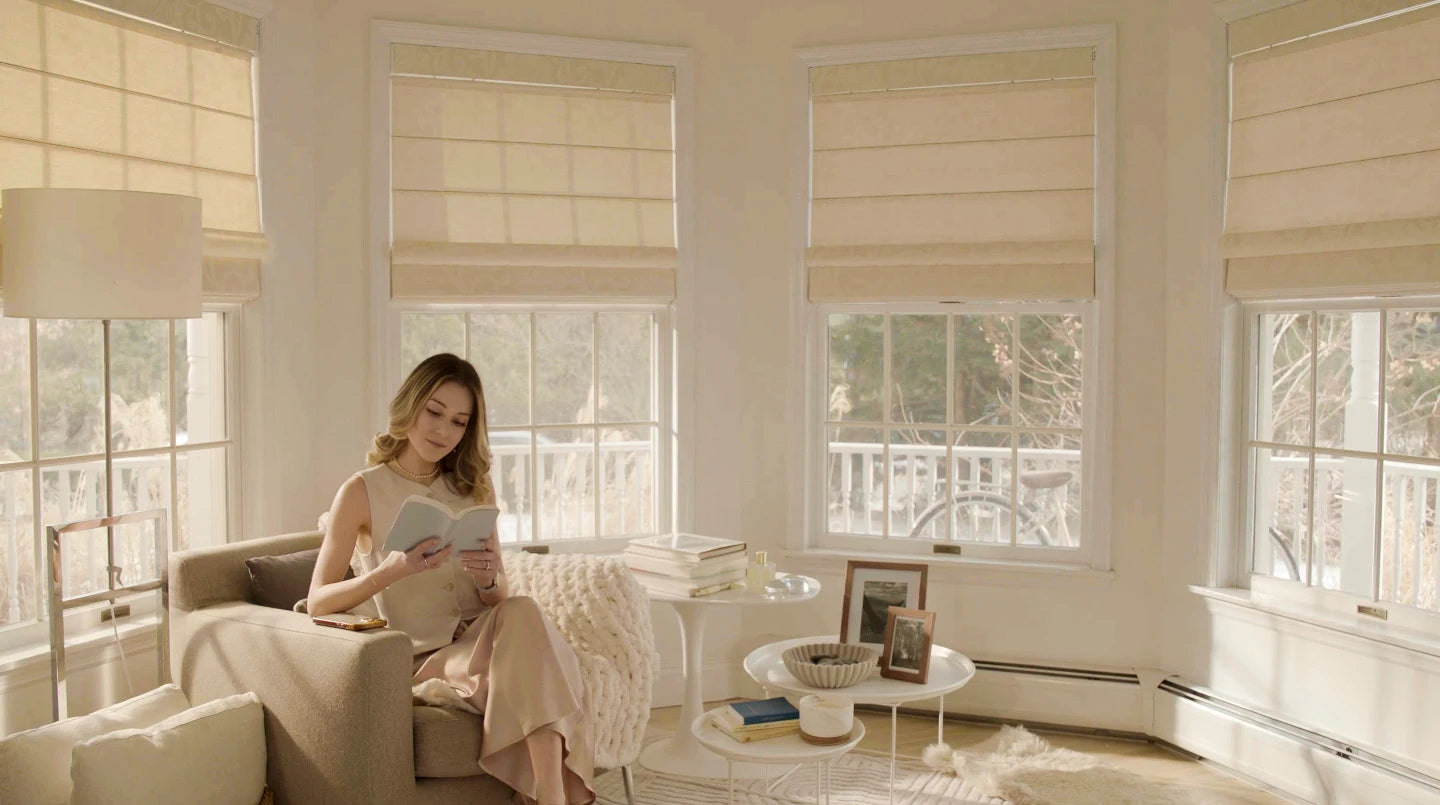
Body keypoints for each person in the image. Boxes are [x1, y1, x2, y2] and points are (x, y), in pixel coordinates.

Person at [307, 353, 595, 805]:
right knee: (537, 659)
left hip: (486, 639)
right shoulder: (361, 491)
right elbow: (319, 600)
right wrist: (391, 571)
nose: (443, 431)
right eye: (434, 412)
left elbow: (499, 597)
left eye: (459, 422)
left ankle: (547, 797)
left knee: (520, 609)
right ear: (410, 406)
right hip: (422, 657)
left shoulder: (474, 485)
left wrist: (485, 581)